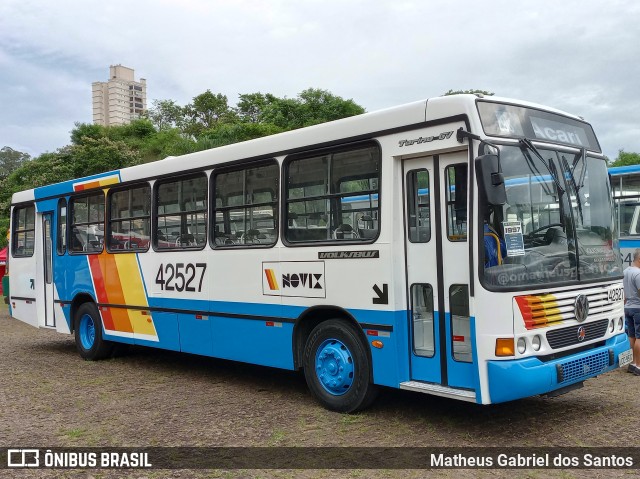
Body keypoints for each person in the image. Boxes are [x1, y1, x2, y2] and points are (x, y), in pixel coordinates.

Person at [623, 248, 640, 375]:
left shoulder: (625, 271)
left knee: (631, 335)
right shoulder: (638, 274)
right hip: (638, 308)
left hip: (628, 307)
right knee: (639, 337)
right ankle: (639, 365)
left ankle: (632, 363)